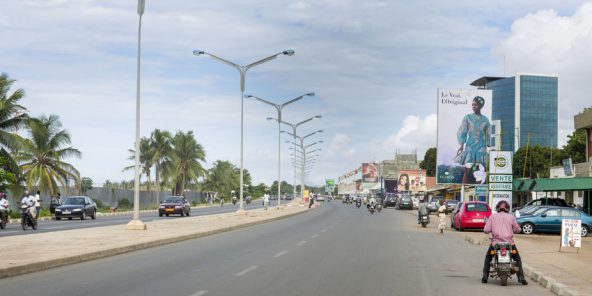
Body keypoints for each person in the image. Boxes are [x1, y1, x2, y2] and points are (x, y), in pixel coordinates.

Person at [482, 200, 528, 285]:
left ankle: (485, 277)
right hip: (509, 243)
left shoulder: (492, 217)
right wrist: (513, 230)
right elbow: (518, 230)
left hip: (495, 243)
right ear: (507, 208)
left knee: (488, 257)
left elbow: (486, 230)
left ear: (497, 208)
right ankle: (521, 278)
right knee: (517, 258)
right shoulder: (511, 217)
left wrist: (491, 230)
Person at [455, 96, 491, 184]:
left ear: (480, 106)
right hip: (470, 145)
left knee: (481, 169)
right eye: (472, 105)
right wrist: (461, 145)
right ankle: (464, 188)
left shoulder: (485, 120)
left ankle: (481, 191)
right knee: (468, 169)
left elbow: (489, 134)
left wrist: (488, 145)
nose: (474, 106)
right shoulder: (467, 117)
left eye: (476, 105)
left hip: (481, 146)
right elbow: (463, 131)